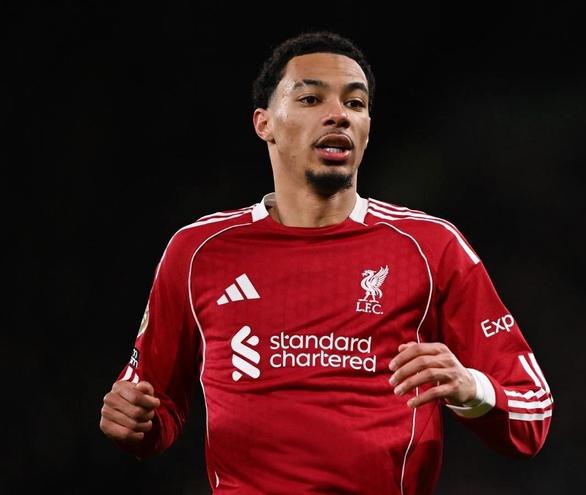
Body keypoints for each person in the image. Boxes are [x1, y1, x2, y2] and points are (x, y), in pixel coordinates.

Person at [100, 31, 553, 494]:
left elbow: (532, 412)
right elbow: (153, 404)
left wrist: (471, 388)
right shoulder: (198, 251)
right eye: (312, 98)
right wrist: (134, 422)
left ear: (368, 127)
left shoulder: (430, 246)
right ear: (264, 123)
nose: (339, 114)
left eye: (355, 104)